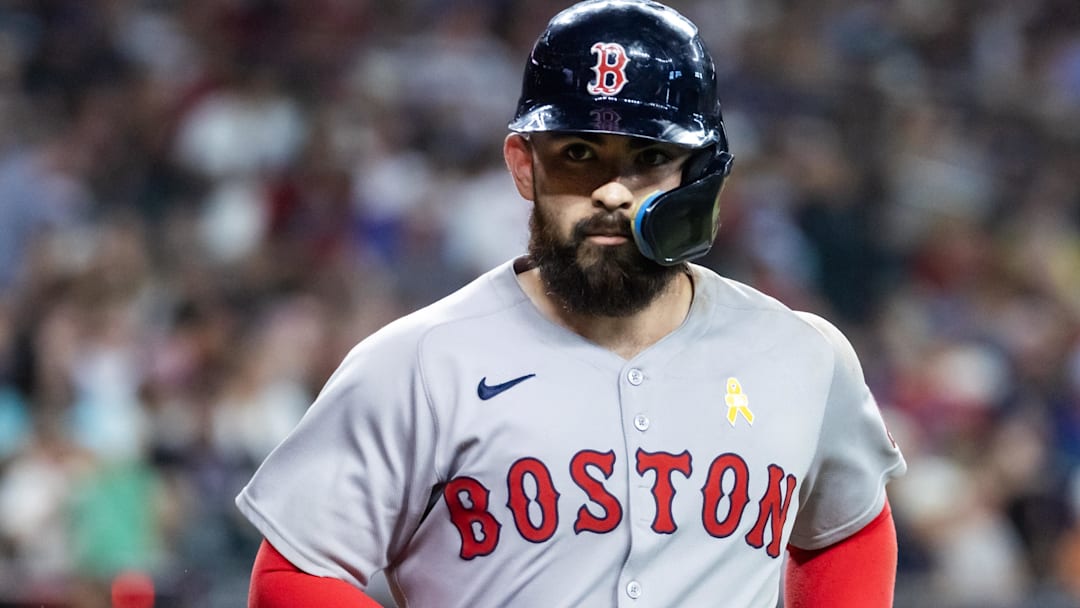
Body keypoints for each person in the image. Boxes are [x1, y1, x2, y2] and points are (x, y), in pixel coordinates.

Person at [235, 1, 907, 606]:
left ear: (697, 176)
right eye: (580, 153)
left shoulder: (799, 355)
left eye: (648, 156)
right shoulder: (416, 363)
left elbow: (847, 527)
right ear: (525, 164)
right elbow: (294, 574)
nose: (612, 191)